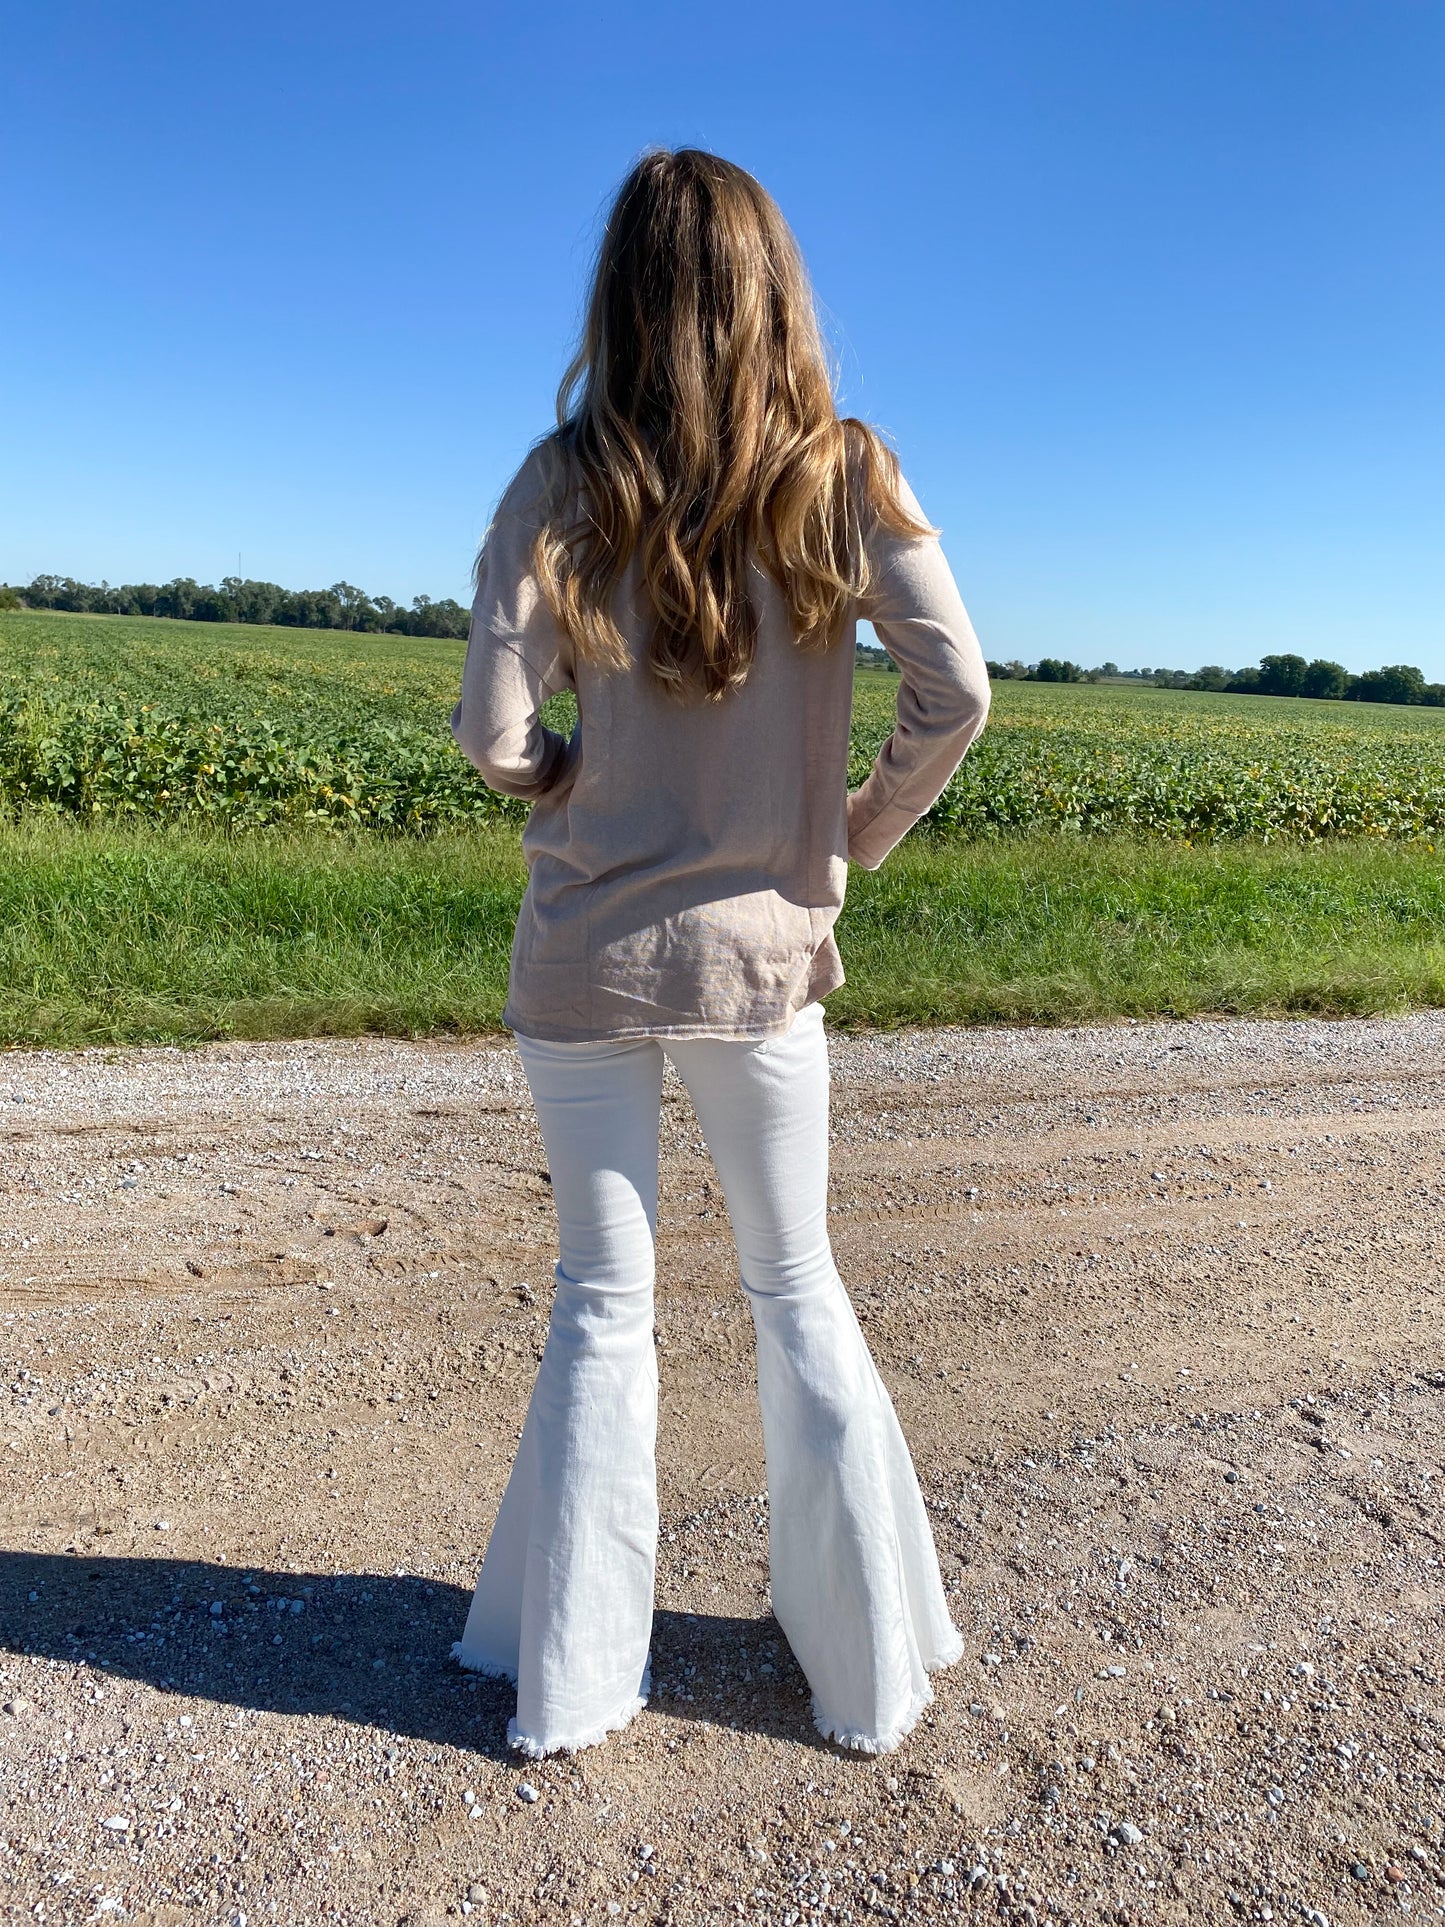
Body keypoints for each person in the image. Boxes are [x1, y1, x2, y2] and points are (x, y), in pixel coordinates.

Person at [449, 147, 990, 1758]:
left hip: (580, 961)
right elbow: (954, 689)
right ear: (777, 290)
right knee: (792, 1286)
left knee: (599, 1305)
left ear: (618, 295)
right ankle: (867, 1668)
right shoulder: (843, 473)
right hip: (759, 966)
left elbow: (489, 728)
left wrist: (551, 777)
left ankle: (573, 1678)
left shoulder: (561, 482)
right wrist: (847, 834)